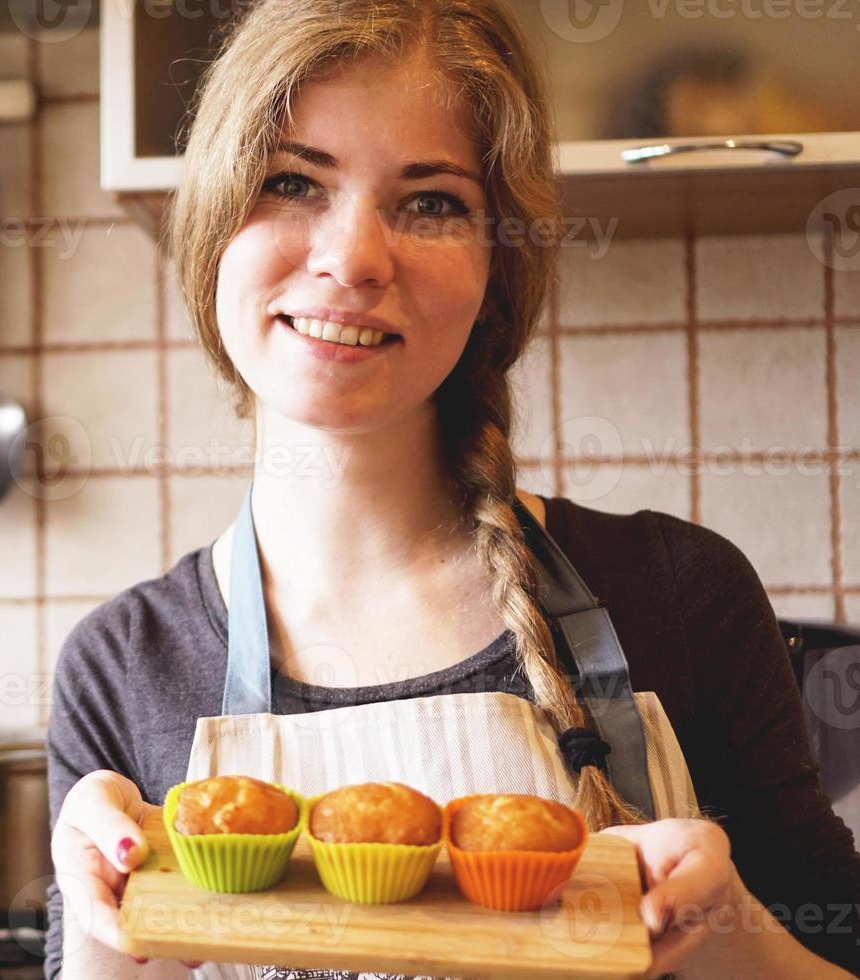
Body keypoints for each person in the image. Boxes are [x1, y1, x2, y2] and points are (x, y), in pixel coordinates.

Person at [42, 0, 860, 978]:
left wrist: (721, 930)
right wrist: (109, 931)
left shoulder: (683, 593)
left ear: (494, 268)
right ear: (213, 225)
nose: (350, 258)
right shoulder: (120, 665)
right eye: (292, 181)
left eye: (429, 201)